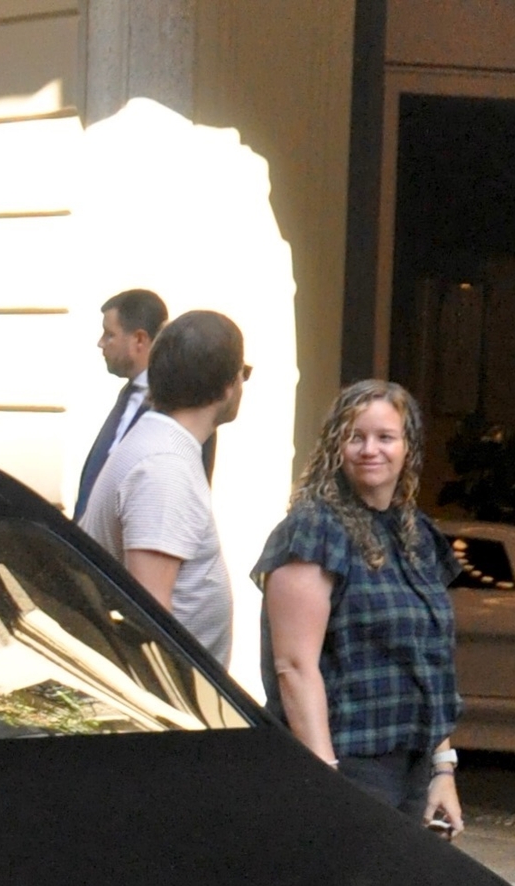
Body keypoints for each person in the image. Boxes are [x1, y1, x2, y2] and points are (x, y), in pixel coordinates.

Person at [255, 380, 462, 834]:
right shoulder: (313, 529)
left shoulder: (416, 534)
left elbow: (430, 662)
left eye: (385, 437)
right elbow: (293, 665)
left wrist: (442, 769)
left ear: (408, 448)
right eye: (356, 437)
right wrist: (323, 777)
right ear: (336, 446)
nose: (371, 449)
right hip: (347, 764)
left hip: (413, 767)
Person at [79, 309, 244, 664]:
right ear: (228, 385)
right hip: (172, 702)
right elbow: (150, 621)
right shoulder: (164, 467)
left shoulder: (161, 444)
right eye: (243, 373)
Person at [74, 289, 167, 518]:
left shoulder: (174, 407)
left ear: (139, 339)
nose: (100, 343)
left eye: (109, 335)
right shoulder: (127, 396)